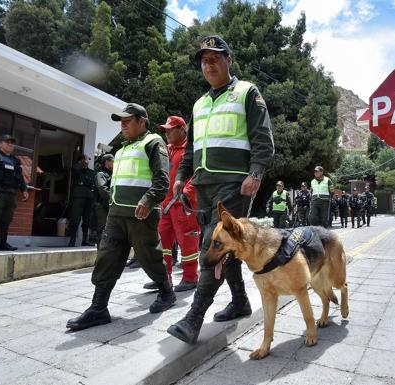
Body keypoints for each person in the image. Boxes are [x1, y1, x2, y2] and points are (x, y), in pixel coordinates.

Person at [166, 35, 274, 344]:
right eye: (204, 60)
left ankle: (193, 318)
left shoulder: (246, 92)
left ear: (229, 59)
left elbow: (263, 139)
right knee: (224, 248)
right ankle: (240, 302)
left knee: (210, 249)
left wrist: (255, 174)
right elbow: (191, 150)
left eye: (215, 58)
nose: (209, 65)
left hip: (235, 185)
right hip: (203, 188)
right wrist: (181, 177)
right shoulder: (199, 104)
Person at [66, 103, 175, 331]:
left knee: (148, 256)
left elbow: (162, 181)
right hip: (116, 215)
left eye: (127, 120)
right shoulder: (121, 149)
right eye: (121, 121)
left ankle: (166, 292)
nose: (122, 125)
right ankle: (98, 309)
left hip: (141, 215)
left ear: (142, 121)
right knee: (107, 258)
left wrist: (148, 200)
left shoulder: (153, 143)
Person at [143, 116, 200, 293]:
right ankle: (163, 277)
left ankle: (190, 278)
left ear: (182, 130)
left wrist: (186, 194)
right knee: (162, 243)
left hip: (183, 205)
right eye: (165, 130)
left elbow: (198, 173)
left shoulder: (191, 150)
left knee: (187, 241)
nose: (167, 133)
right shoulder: (166, 150)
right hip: (164, 205)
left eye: (170, 129)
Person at [0, 134, 29, 252]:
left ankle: (2, 244)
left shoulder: (15, 160)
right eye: (7, 142)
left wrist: (24, 189)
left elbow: (20, 176)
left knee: (6, 220)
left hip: (11, 194)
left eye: (12, 142)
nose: (10, 144)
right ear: (0, 144)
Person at [68, 154, 96, 247]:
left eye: (87, 160)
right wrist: (82, 161)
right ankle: (72, 240)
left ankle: (84, 240)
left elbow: (92, 184)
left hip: (89, 198)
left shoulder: (92, 172)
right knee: (75, 219)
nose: (87, 162)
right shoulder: (77, 170)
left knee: (87, 220)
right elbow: (75, 169)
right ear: (80, 161)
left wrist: (84, 183)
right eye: (85, 160)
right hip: (78, 197)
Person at [94, 154, 113, 244]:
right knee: (103, 230)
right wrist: (113, 199)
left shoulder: (112, 174)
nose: (115, 163)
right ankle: (101, 255)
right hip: (102, 206)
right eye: (113, 161)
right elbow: (103, 190)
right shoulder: (101, 175)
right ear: (107, 162)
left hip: (109, 206)